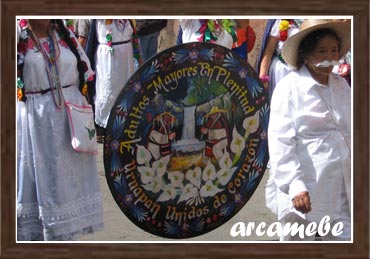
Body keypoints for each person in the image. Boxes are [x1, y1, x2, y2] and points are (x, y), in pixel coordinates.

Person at [16, 19, 103, 241]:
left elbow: (85, 71)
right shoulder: (17, 34)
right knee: (38, 183)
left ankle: (62, 237)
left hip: (68, 122)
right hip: (35, 121)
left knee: (65, 187)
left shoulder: (64, 34)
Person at [267, 19, 351, 241]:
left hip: (342, 185)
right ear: (306, 54)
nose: (329, 58)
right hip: (307, 189)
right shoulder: (289, 89)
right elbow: (280, 142)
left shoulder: (341, 85)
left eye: (334, 51)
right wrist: (295, 185)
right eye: (322, 51)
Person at [85, 19, 139, 143]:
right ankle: (104, 127)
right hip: (109, 56)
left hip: (126, 55)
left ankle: (123, 124)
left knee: (126, 90)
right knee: (107, 89)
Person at [256, 19, 303, 100]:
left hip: (301, 71)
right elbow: (269, 51)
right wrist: (263, 78)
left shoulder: (309, 20)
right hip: (280, 71)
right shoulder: (280, 20)